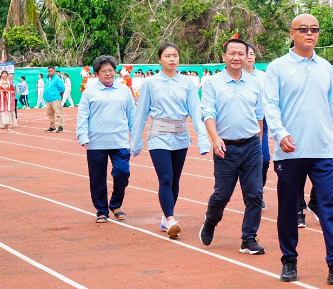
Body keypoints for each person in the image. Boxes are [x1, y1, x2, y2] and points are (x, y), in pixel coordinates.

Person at [264, 14, 333, 284]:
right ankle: (289, 261)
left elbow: (331, 105)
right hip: (290, 150)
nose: (310, 33)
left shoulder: (325, 67)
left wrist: (331, 139)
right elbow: (270, 105)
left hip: (322, 150)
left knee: (329, 205)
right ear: (292, 33)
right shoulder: (277, 68)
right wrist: (280, 133)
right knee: (288, 207)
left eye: (314, 29)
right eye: (303, 29)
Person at [132, 43, 210, 238]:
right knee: (165, 178)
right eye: (167, 56)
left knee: (175, 180)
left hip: (181, 135)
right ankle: (170, 219)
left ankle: (166, 218)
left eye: (175, 55)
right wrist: (135, 141)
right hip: (158, 134)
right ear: (160, 59)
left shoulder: (187, 83)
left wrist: (203, 138)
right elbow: (141, 113)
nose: (172, 59)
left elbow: (195, 110)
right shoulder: (150, 83)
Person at [199, 38, 266, 254]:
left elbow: (259, 116)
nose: (236, 57)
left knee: (255, 194)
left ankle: (249, 238)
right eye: (232, 53)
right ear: (224, 57)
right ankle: (210, 221)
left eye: (241, 53)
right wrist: (215, 138)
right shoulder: (212, 83)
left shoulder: (256, 82)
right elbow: (208, 112)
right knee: (222, 194)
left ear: (248, 56)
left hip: (251, 146)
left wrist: (259, 141)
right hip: (225, 147)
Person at [76, 55, 135, 223]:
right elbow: (83, 116)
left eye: (111, 70)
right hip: (96, 142)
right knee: (97, 178)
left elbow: (132, 114)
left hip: (120, 141)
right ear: (96, 73)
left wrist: (136, 136)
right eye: (104, 71)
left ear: (115, 72)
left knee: (122, 173)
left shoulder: (124, 91)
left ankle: (115, 204)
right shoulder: (89, 92)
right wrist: (83, 136)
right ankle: (101, 211)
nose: (108, 74)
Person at [243, 44, 272, 204]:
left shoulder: (262, 76)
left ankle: (258, 191)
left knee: (264, 159)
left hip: (262, 122)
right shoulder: (237, 76)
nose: (250, 57)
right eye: (247, 54)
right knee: (246, 161)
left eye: (252, 54)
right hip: (244, 122)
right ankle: (251, 194)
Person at [43, 67, 65, 132]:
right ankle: (52, 127)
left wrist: (60, 96)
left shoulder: (57, 79)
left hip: (56, 99)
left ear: (54, 71)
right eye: (49, 71)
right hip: (48, 99)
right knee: (50, 114)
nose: (50, 72)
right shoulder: (47, 79)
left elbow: (62, 89)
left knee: (59, 113)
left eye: (51, 71)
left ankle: (61, 127)